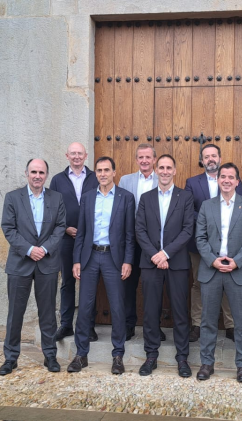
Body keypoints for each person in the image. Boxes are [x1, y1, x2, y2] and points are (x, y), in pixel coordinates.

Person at [0, 158, 67, 376]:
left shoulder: (56, 198)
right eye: (34, 172)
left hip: (47, 263)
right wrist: (29, 249)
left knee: (48, 313)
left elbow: (60, 227)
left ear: (46, 175)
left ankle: (50, 355)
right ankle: (10, 358)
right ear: (26, 173)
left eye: (41, 172)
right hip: (20, 263)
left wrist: (44, 249)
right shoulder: (13, 197)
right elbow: (8, 228)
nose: (37, 176)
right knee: (15, 314)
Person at [69, 156, 135, 375]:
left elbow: (129, 234)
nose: (103, 174)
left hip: (113, 259)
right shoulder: (88, 198)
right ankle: (81, 354)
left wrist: (127, 261)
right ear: (95, 173)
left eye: (107, 170)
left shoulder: (126, 198)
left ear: (114, 173)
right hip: (89, 257)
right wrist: (76, 260)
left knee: (117, 307)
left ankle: (117, 355)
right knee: (85, 307)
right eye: (99, 170)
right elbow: (81, 232)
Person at [195, 163, 242, 383]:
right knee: (208, 320)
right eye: (223, 176)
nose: (227, 180)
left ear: (237, 182)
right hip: (211, 270)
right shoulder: (206, 206)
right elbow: (200, 238)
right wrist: (213, 260)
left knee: (241, 321)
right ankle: (206, 363)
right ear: (218, 179)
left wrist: (237, 261)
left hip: (238, 271)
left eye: (231, 177)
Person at [135, 154, 194, 377]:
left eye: (169, 167)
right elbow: (139, 229)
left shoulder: (185, 197)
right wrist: (155, 255)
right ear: (155, 170)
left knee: (180, 311)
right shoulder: (146, 197)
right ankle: (151, 355)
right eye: (161, 167)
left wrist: (166, 253)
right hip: (150, 263)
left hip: (176, 263)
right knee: (150, 311)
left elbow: (188, 229)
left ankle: (182, 358)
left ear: (175, 171)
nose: (165, 171)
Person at [185, 144, 242, 343]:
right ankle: (196, 324)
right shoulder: (192, 183)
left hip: (230, 245)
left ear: (219, 158)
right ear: (201, 160)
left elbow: (241, 206)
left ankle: (230, 325)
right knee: (199, 283)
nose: (210, 159)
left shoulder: (234, 181)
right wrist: (209, 219)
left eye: (213, 155)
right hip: (200, 244)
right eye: (206, 156)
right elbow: (188, 211)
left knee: (229, 282)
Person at [49, 142, 99, 343]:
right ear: (66, 155)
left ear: (86, 156)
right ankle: (66, 324)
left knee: (90, 283)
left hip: (90, 239)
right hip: (67, 238)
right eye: (73, 154)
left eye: (80, 153)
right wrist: (65, 228)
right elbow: (51, 209)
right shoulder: (57, 180)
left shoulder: (96, 177)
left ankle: (89, 327)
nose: (77, 157)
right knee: (68, 282)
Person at [118, 144, 165, 342]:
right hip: (129, 241)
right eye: (140, 157)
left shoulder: (162, 179)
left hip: (153, 243)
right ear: (136, 160)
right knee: (128, 284)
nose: (144, 161)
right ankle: (128, 325)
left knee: (153, 286)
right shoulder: (125, 180)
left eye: (148, 157)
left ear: (154, 160)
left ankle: (154, 327)